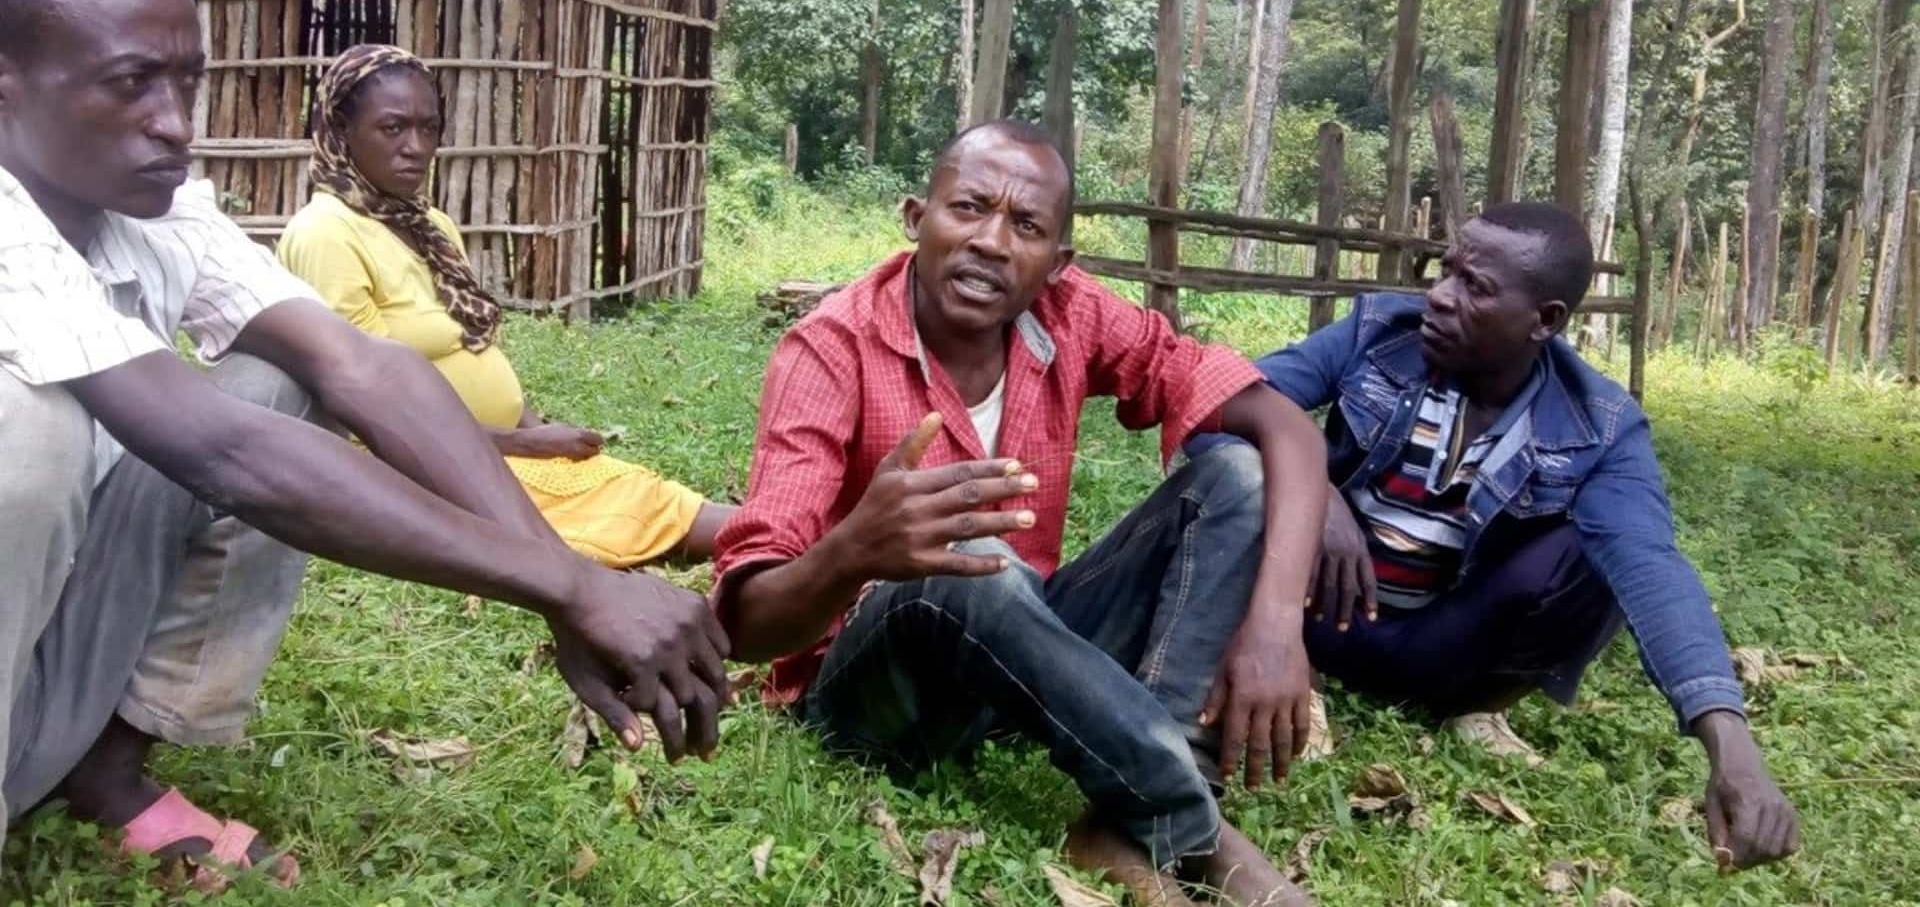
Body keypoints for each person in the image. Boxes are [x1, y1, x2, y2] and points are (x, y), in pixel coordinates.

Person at [0, 0, 730, 889]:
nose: (175, 121)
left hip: (40, 676)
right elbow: (226, 453)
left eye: (186, 84)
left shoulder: (163, 217)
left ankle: (101, 768)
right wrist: (577, 585)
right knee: (31, 432)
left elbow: (362, 368)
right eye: (133, 83)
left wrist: (564, 587)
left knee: (285, 381)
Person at [712, 119, 1331, 907]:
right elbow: (747, 628)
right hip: (869, 696)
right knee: (973, 558)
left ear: (1057, 264)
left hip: (1014, 663)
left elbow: (1282, 428)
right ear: (915, 218)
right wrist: (855, 553)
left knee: (1237, 475)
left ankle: (1123, 817)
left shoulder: (1070, 315)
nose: (992, 242)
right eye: (968, 208)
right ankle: (1192, 826)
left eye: (1026, 226)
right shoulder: (830, 350)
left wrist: (1277, 624)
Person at [1194, 202, 1801, 871]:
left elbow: (1652, 569)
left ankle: (1473, 711)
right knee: (1249, 463)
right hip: (1309, 614)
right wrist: (1318, 488)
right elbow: (1222, 402)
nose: (1439, 296)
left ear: (1545, 321)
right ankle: (1297, 683)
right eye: (1447, 271)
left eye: (1474, 287)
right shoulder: (1377, 333)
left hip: (1441, 646)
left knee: (1594, 553)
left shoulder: (1596, 423)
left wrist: (1730, 744)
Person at [276, 44, 733, 568]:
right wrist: (525, 446)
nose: (416, 147)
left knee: (626, 486)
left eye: (429, 129)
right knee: (634, 505)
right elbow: (367, 413)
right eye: (392, 128)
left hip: (488, 451)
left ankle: (779, 532)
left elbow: (478, 352)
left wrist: (536, 432)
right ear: (340, 131)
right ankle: (783, 537)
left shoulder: (430, 228)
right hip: (416, 473)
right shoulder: (326, 235)